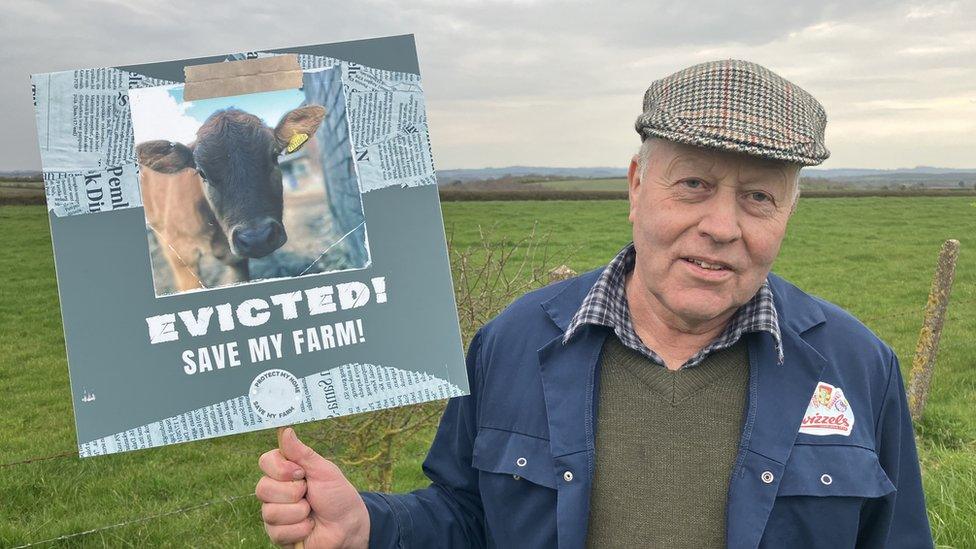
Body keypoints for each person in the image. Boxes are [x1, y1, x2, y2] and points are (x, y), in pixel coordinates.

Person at [255, 59, 933, 548]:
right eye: (693, 184)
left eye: (758, 196)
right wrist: (367, 525)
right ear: (637, 185)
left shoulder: (856, 366)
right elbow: (465, 517)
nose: (723, 226)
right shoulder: (512, 343)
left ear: (789, 208)